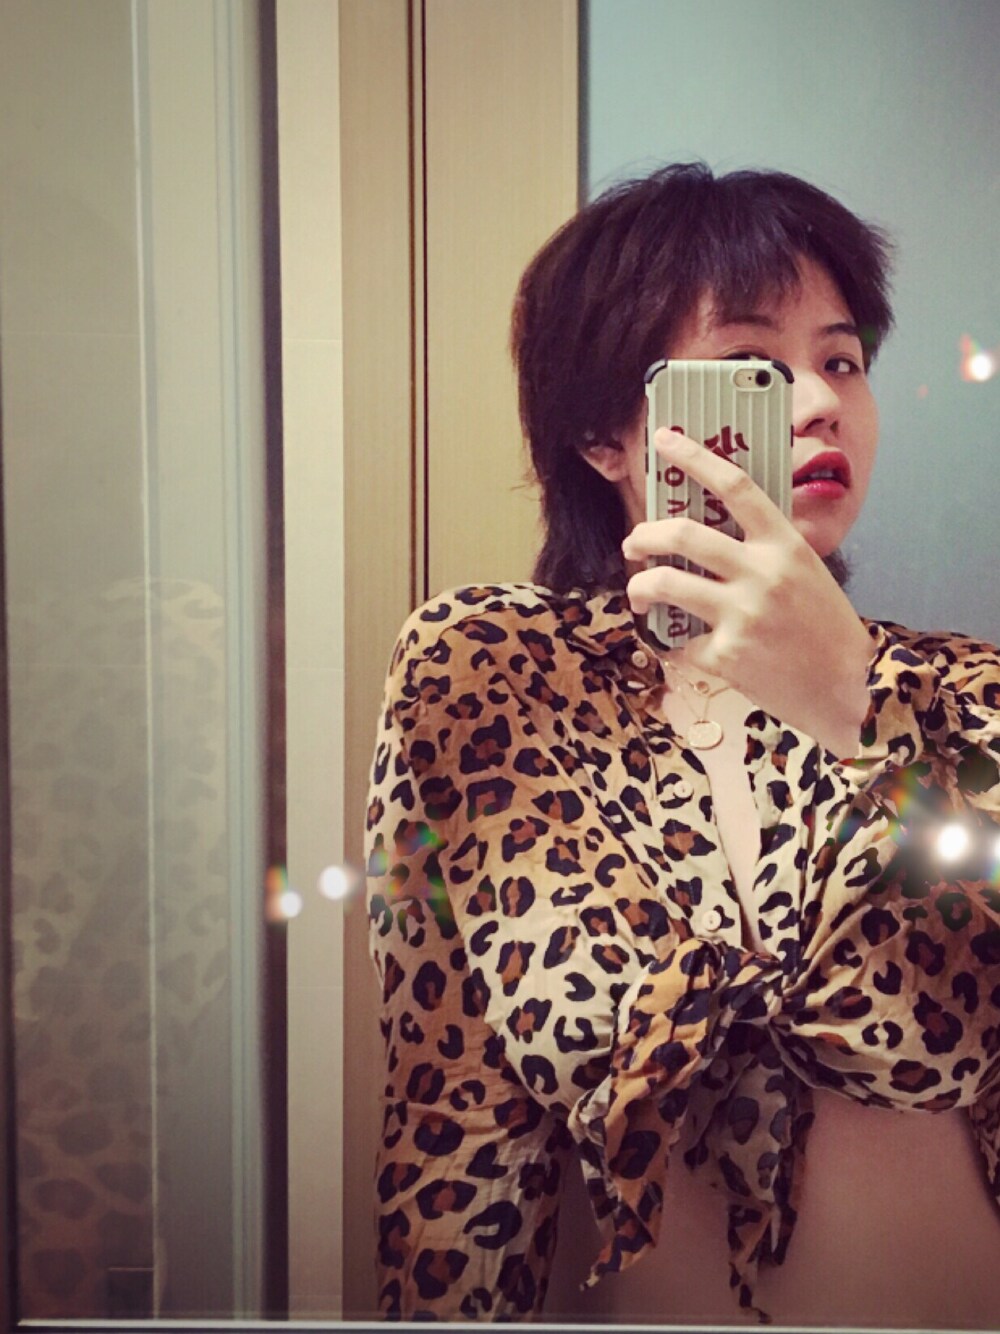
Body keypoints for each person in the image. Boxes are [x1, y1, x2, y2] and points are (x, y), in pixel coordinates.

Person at [364, 163, 1000, 1325]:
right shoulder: (493, 678)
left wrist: (856, 706)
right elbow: (449, 1115)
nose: (817, 402)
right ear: (604, 434)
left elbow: (955, 1017)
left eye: (841, 361)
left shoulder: (968, 699)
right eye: (753, 365)